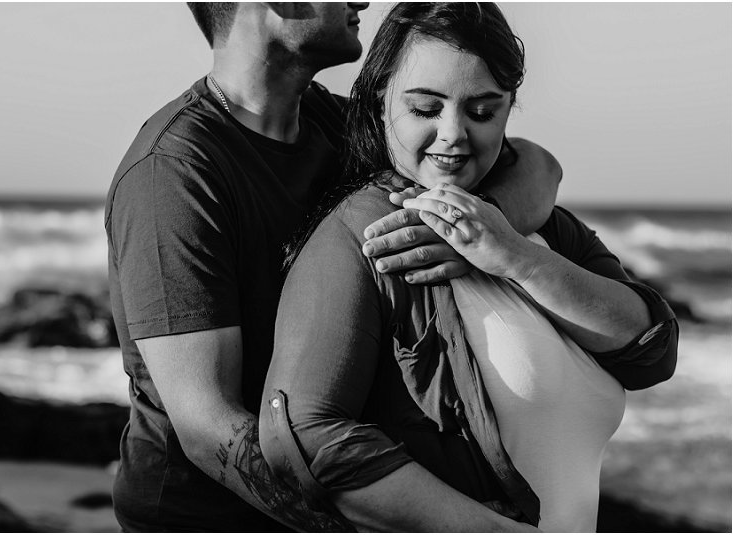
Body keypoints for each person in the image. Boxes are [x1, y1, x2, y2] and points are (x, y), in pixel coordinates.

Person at [105, 2, 563, 531]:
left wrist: (475, 234)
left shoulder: (333, 124)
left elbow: (536, 166)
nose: (364, 1)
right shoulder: (173, 174)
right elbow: (209, 431)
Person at [260, 2, 678, 532]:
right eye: (425, 109)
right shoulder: (367, 236)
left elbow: (652, 351)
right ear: (378, 102)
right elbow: (301, 434)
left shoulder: (539, 223)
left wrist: (515, 258)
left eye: (483, 111)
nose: (455, 134)